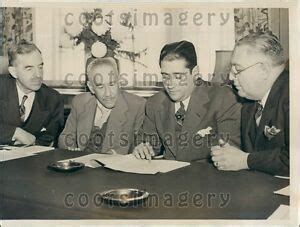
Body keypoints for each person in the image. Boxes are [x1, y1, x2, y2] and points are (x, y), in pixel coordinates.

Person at [133, 40, 241, 161]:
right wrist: (143, 149)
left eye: (178, 76)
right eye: (165, 76)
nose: (170, 84)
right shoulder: (155, 103)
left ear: (195, 72)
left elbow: (230, 152)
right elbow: (149, 144)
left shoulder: (223, 98)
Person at [211, 32, 289, 176]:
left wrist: (245, 160)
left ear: (264, 70)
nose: (230, 77)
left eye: (238, 69)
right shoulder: (250, 102)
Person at [58, 57, 146, 154]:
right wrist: (71, 149)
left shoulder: (137, 105)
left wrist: (128, 155)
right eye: (100, 87)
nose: (108, 93)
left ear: (119, 81)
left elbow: (142, 146)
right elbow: (65, 137)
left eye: (112, 84)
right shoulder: (80, 102)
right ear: (91, 87)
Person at [0, 40, 64, 146]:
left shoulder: (53, 99)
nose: (38, 75)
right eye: (29, 68)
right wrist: (14, 132)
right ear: (13, 72)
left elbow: (48, 138)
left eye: (40, 67)